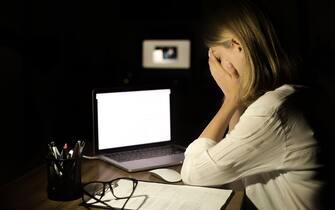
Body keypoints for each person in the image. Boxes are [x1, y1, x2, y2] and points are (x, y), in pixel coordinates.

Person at [180, 0, 324, 209]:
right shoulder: (297, 94)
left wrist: (230, 99)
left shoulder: (272, 111)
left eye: (219, 58)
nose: (217, 69)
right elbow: (232, 169)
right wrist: (237, 102)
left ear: (237, 45)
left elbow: (194, 173)